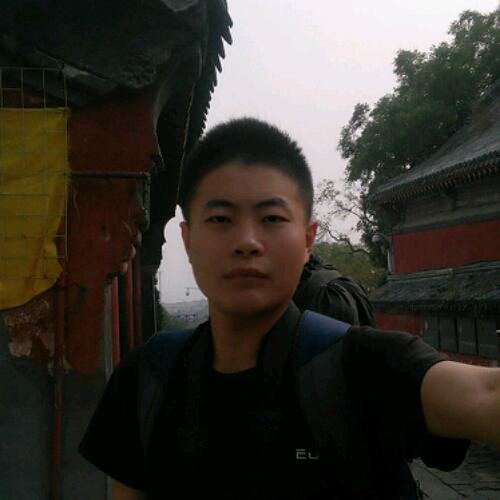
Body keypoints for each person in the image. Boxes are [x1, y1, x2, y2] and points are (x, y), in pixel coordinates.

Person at [79, 117, 500, 500]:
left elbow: (485, 395)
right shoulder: (146, 380)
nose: (247, 241)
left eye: (272, 219)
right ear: (188, 241)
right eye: (221, 219)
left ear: (308, 240)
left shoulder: (367, 367)